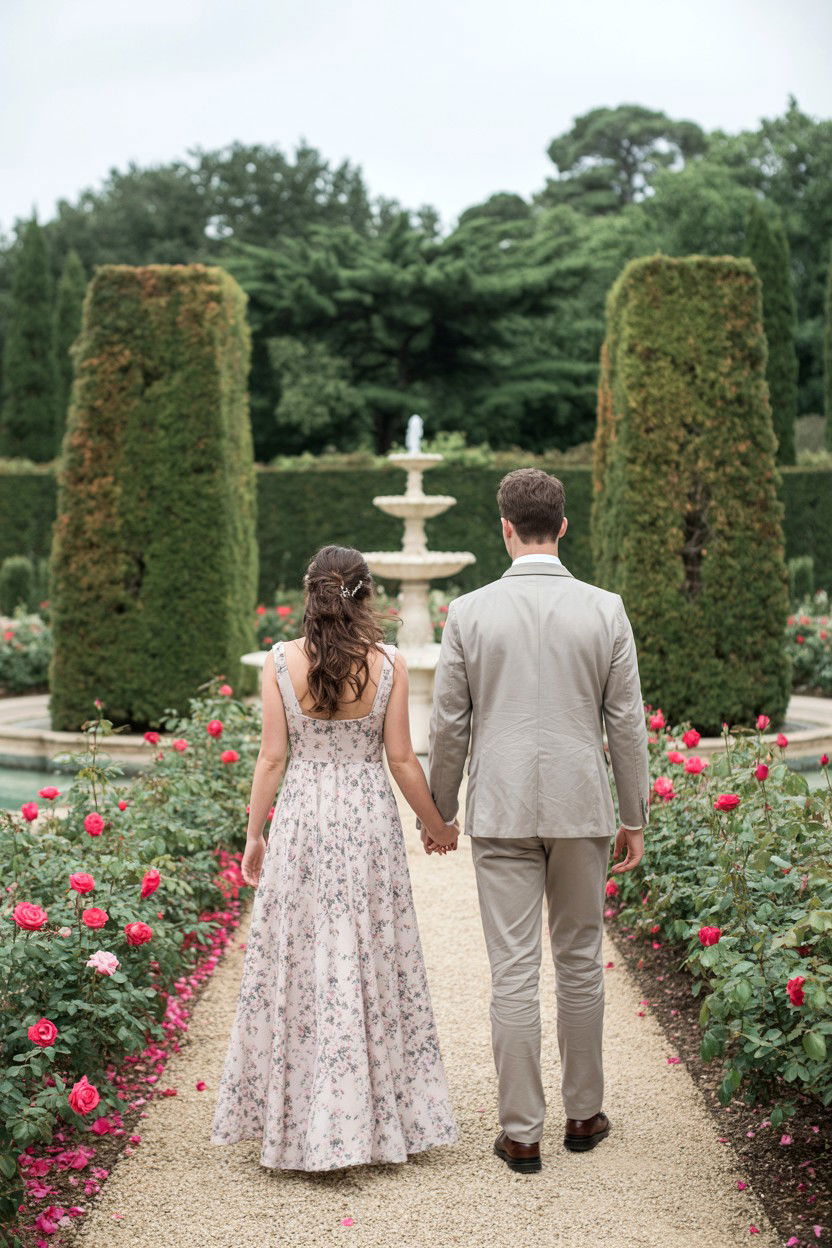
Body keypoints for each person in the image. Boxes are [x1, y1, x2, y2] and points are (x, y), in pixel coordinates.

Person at [424, 468, 650, 1174]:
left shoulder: (468, 613)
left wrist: (440, 811)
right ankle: (584, 1115)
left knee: (513, 969)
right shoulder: (605, 610)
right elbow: (627, 723)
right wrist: (634, 814)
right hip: (582, 807)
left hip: (501, 809)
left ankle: (521, 1132)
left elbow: (449, 724)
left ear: (505, 528)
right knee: (580, 960)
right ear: (563, 526)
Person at [210, 545, 459, 1171]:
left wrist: (254, 835)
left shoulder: (280, 661)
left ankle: (301, 1119)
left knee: (301, 956)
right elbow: (402, 759)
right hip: (367, 821)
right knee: (369, 953)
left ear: (310, 592)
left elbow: (272, 758)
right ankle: (370, 1118)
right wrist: (438, 826)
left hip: (302, 820)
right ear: (365, 594)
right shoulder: (390, 662)